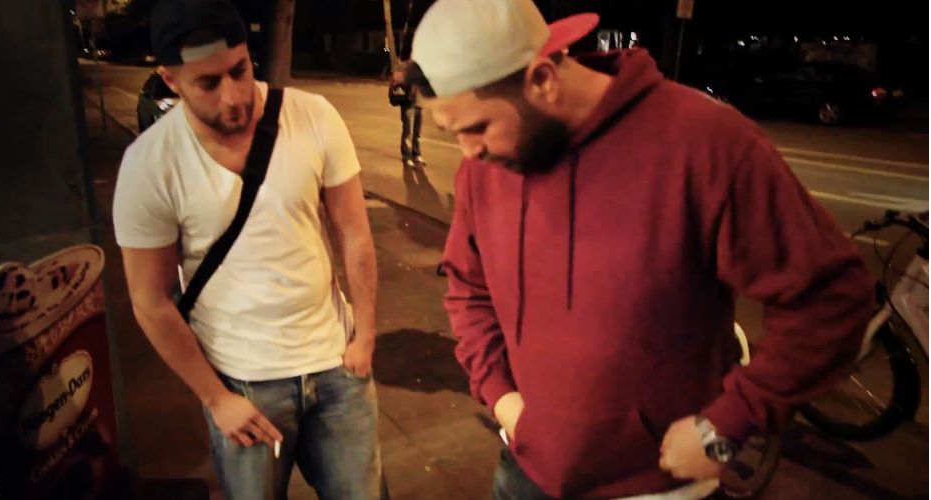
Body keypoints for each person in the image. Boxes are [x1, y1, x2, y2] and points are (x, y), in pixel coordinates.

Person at [406, 0, 875, 499]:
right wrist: (503, 399)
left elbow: (830, 297)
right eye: (452, 132)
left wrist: (726, 425)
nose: (468, 152)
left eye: (477, 127)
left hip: (656, 485)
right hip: (524, 470)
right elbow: (469, 288)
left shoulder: (704, 142)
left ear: (542, 79)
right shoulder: (484, 168)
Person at [112, 1, 387, 499]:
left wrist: (364, 335)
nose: (234, 95)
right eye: (208, 83)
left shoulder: (313, 116)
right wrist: (215, 398)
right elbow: (149, 300)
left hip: (338, 368)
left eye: (239, 70)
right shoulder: (149, 165)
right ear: (170, 80)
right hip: (242, 382)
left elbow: (354, 234)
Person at [389, 60, 426, 169]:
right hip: (407, 102)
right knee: (408, 131)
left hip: (419, 101)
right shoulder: (404, 65)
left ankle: (416, 154)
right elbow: (396, 79)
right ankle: (407, 156)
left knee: (417, 131)